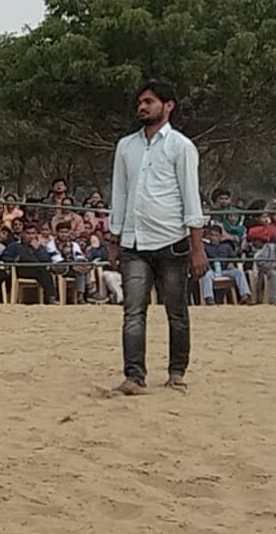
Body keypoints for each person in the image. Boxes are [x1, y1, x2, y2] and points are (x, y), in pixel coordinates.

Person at [107, 81, 208, 395]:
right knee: (133, 311)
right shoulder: (126, 147)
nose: (142, 107)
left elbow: (191, 199)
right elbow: (119, 194)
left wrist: (197, 248)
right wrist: (114, 238)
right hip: (134, 244)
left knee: (176, 311)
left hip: (171, 242)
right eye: (140, 102)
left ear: (168, 106)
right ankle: (134, 375)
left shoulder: (181, 147)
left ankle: (177, 371)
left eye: (149, 101)